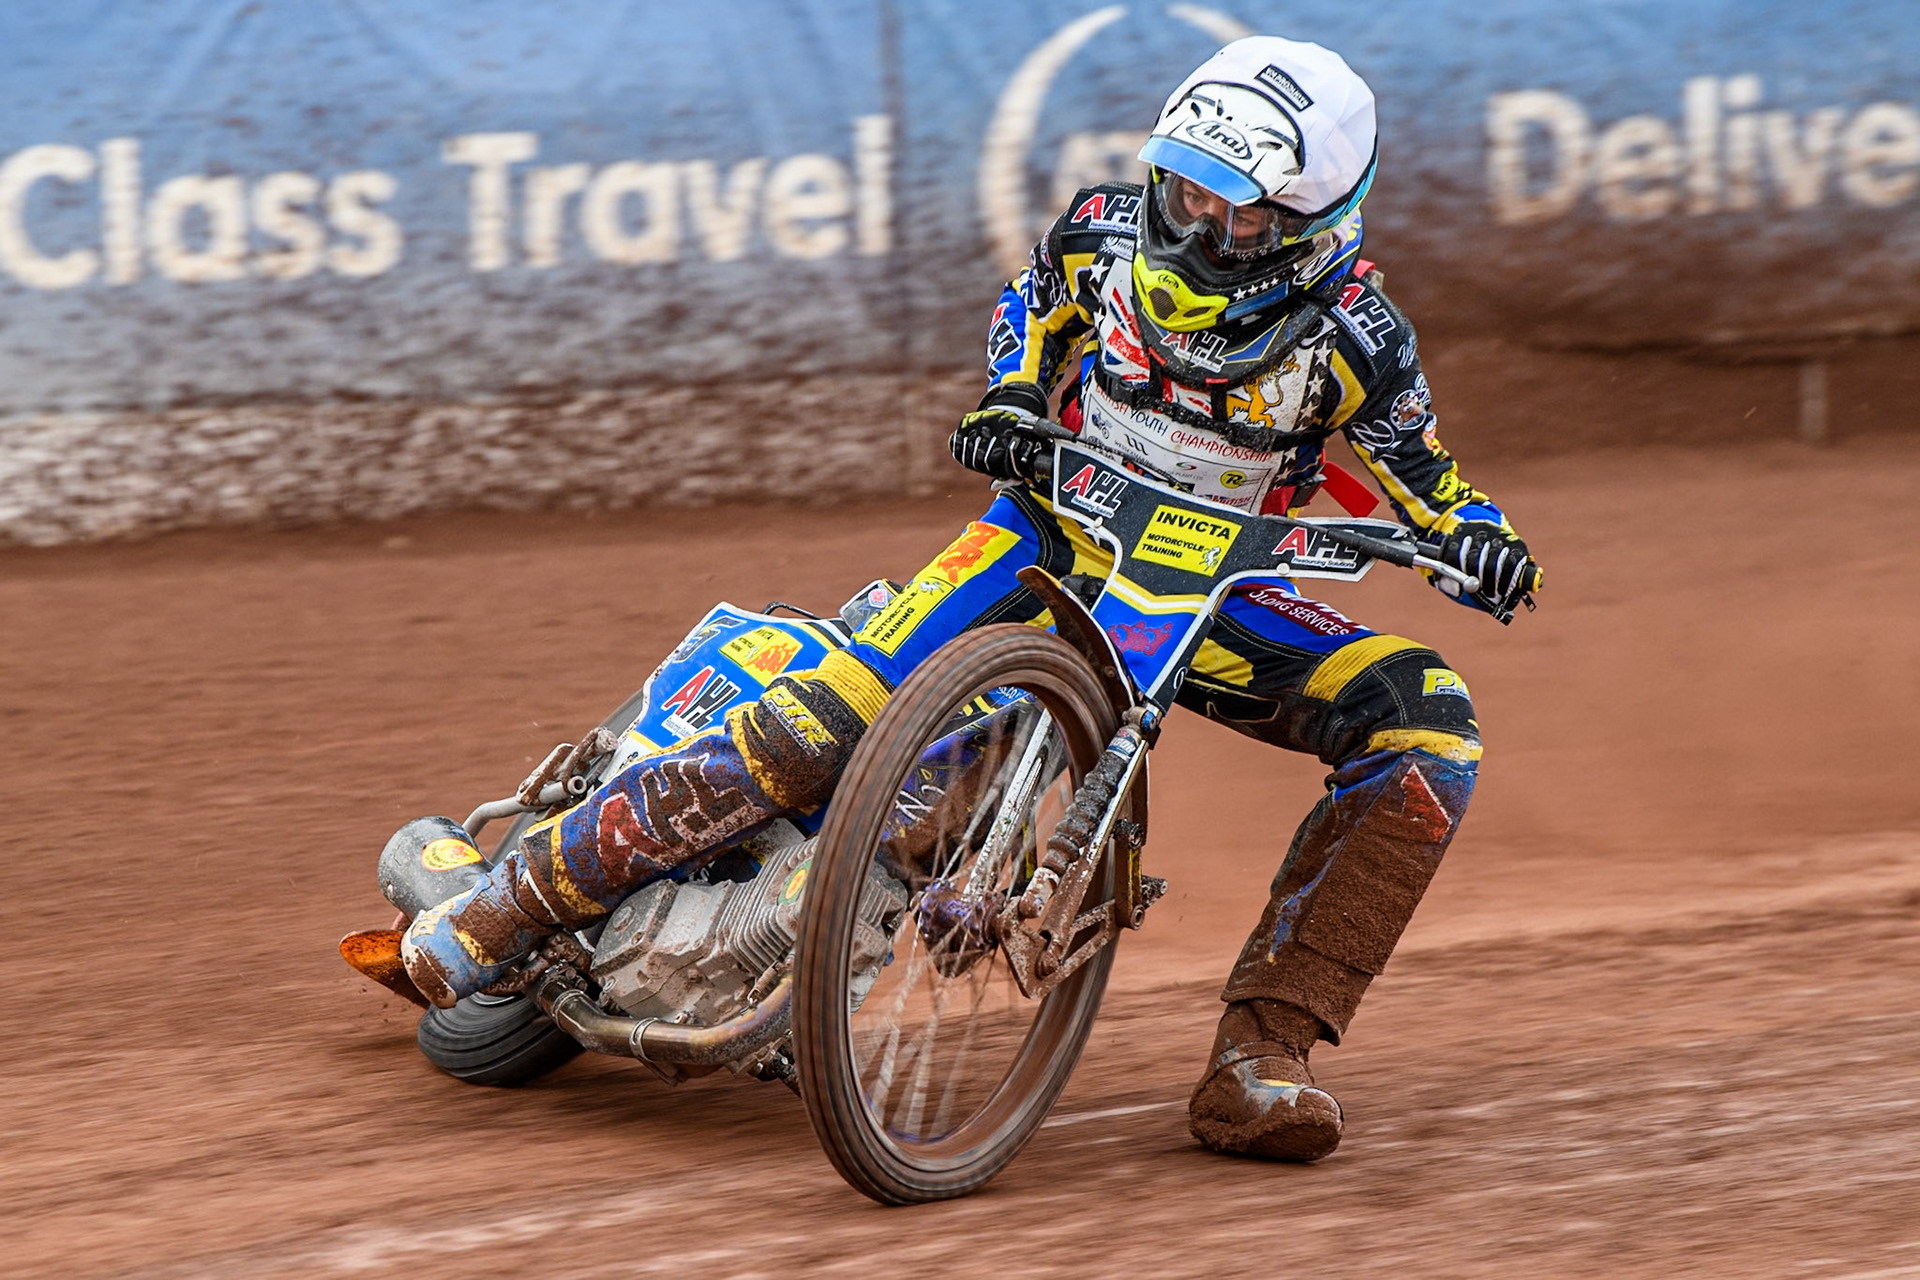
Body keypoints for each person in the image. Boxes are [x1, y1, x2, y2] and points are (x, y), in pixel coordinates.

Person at [394, 35, 1540, 1163]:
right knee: (825, 715)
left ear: (1312, 225)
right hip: (1045, 525)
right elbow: (1028, 306)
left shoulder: (1359, 340)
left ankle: (1264, 1054)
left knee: (1428, 722)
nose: (1193, 226)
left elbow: (1429, 481)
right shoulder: (1099, 236)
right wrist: (1011, 393)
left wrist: (1480, 543)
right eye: (1182, 190)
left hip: (1215, 589)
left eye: (1234, 211)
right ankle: (495, 913)